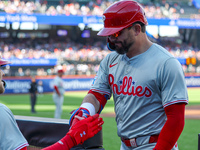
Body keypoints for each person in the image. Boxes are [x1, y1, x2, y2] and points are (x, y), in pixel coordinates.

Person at [69, 1, 188, 150]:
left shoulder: (166, 63)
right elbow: (96, 95)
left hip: (154, 145)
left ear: (137, 29)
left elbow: (176, 119)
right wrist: (85, 111)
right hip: (124, 145)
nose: (111, 39)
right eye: (109, 34)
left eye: (116, 33)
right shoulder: (110, 60)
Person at [0, 58, 104, 150]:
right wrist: (71, 139)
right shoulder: (2, 112)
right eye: (0, 67)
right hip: (58, 96)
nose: (3, 73)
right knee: (58, 109)